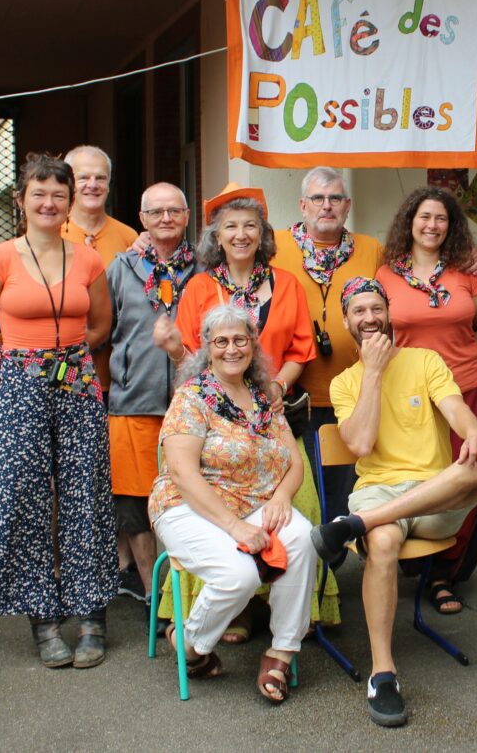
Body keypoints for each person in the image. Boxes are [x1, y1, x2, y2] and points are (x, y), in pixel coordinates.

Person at [153, 181, 339, 639]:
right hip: (213, 427)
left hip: (270, 417)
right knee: (213, 508)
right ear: (216, 236)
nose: (240, 234)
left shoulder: (287, 283)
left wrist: (275, 386)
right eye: (230, 226)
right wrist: (175, 350)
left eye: (250, 226)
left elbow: (300, 348)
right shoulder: (198, 287)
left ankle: (288, 611)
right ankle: (229, 608)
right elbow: (191, 359)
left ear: (262, 234)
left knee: (297, 505)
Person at [311, 277, 477, 727]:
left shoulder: (424, 360)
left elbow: (458, 413)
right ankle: (383, 673)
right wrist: (372, 371)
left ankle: (357, 523)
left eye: (376, 308)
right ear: (346, 320)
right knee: (386, 541)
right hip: (378, 489)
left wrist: (473, 435)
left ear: (389, 312)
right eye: (359, 311)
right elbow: (359, 443)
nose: (370, 318)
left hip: (435, 493)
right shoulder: (345, 383)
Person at [0, 153, 117, 669]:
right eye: (40, 193)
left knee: (86, 492)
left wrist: (67, 356)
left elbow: (100, 325)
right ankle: (43, 619)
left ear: (70, 201)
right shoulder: (1, 257)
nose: (50, 202)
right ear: (22, 200)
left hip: (75, 380)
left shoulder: (87, 259)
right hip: (20, 386)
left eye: (59, 194)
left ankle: (92, 614)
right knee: (25, 495)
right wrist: (21, 355)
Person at [149, 304, 317, 703]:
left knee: (304, 538)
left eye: (240, 339)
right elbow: (184, 475)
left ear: (253, 346)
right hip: (187, 505)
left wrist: (280, 496)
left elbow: (293, 462)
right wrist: (236, 526)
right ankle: (188, 644)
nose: (231, 348)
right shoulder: (192, 398)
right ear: (207, 347)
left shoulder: (262, 399)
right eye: (221, 340)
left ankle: (281, 652)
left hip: (255, 500)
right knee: (239, 575)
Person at [375, 188, 477, 614]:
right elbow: (380, 334)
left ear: (451, 226)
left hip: (464, 388)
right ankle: (417, 566)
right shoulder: (387, 275)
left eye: (441, 219)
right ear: (410, 221)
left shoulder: (466, 271)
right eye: (424, 217)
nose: (432, 225)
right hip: (412, 399)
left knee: (466, 477)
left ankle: (446, 574)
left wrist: (463, 351)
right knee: (420, 479)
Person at [106, 182, 196, 635]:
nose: (165, 218)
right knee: (134, 504)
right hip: (132, 401)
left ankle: (192, 592)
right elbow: (102, 332)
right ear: (141, 218)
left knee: (194, 496)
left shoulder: (204, 269)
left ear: (185, 216)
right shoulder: (120, 268)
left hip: (192, 402)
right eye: (155, 211)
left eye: (173, 211)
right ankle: (153, 594)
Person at [271, 166, 384, 523]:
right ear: (302, 205)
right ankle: (312, 571)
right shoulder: (273, 246)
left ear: (347, 206)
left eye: (335, 198)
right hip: (293, 395)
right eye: (318, 198)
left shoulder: (370, 249)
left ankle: (333, 568)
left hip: (354, 394)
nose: (327, 206)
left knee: (345, 492)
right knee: (303, 492)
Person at [61, 144, 141, 597]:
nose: (91, 185)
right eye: (83, 177)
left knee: (117, 474)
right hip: (65, 376)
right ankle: (73, 564)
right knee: (73, 476)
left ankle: (122, 562)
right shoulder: (55, 232)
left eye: (100, 178)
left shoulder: (129, 236)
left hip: (116, 377)